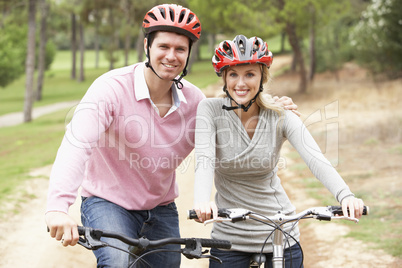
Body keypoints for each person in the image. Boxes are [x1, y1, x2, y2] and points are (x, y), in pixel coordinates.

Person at [45, 4, 297, 267]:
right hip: (108, 202)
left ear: (188, 54)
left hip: (160, 207)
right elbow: (76, 146)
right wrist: (57, 208)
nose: (171, 56)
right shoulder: (110, 89)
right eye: (163, 46)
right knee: (117, 262)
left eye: (180, 49)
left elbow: (232, 129)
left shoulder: (195, 102)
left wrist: (268, 109)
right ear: (147, 47)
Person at [192, 35, 365, 268]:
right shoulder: (209, 110)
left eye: (249, 74)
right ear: (224, 77)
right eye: (233, 74)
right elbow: (204, 159)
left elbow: (315, 158)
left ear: (262, 76)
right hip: (229, 233)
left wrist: (346, 196)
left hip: (279, 230)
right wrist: (202, 202)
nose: (240, 83)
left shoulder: (280, 113)